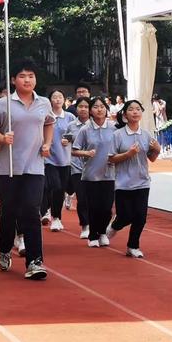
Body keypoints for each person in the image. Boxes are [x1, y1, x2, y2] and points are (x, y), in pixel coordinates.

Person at [0, 59, 55, 280]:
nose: (27, 80)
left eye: (31, 76)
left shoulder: (43, 102)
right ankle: (5, 248)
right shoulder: (4, 104)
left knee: (31, 211)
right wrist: (3, 138)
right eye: (23, 76)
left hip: (34, 167)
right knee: (8, 212)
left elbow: (49, 123)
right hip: (9, 168)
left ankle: (35, 261)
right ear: (14, 80)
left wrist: (47, 144)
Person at [107, 100, 161, 258]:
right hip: (123, 183)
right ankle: (115, 225)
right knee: (125, 216)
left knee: (141, 217)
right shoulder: (117, 135)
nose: (135, 112)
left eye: (138, 109)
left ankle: (133, 246)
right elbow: (111, 159)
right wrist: (127, 154)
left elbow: (151, 158)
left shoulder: (145, 134)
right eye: (131, 109)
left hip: (142, 181)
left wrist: (156, 150)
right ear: (124, 115)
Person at [72, 97, 116, 247]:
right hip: (91, 174)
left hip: (109, 174)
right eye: (96, 107)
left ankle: (103, 232)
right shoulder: (85, 129)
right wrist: (86, 153)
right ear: (91, 110)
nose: (99, 109)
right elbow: (74, 151)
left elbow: (119, 147)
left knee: (106, 207)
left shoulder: (113, 127)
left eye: (102, 107)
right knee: (94, 206)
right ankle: (93, 236)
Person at [40, 90, 75, 232]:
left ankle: (57, 218)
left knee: (60, 189)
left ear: (64, 100)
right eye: (54, 97)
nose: (58, 99)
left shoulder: (70, 117)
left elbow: (76, 134)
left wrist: (69, 139)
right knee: (52, 185)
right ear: (50, 101)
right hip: (48, 158)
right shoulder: (45, 117)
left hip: (65, 159)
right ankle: (47, 210)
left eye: (60, 97)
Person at [66, 97, 91, 238]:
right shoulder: (71, 126)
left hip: (94, 167)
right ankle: (85, 225)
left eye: (86, 106)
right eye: (80, 106)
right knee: (82, 198)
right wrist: (65, 142)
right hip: (77, 167)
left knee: (94, 198)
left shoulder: (95, 125)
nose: (83, 109)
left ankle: (97, 224)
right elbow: (67, 142)